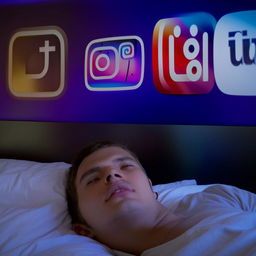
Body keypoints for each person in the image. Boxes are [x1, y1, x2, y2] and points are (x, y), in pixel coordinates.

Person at [66, 140, 256, 256]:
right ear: (83, 230)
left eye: (125, 166)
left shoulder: (218, 197)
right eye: (93, 179)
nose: (113, 174)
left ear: (151, 187)